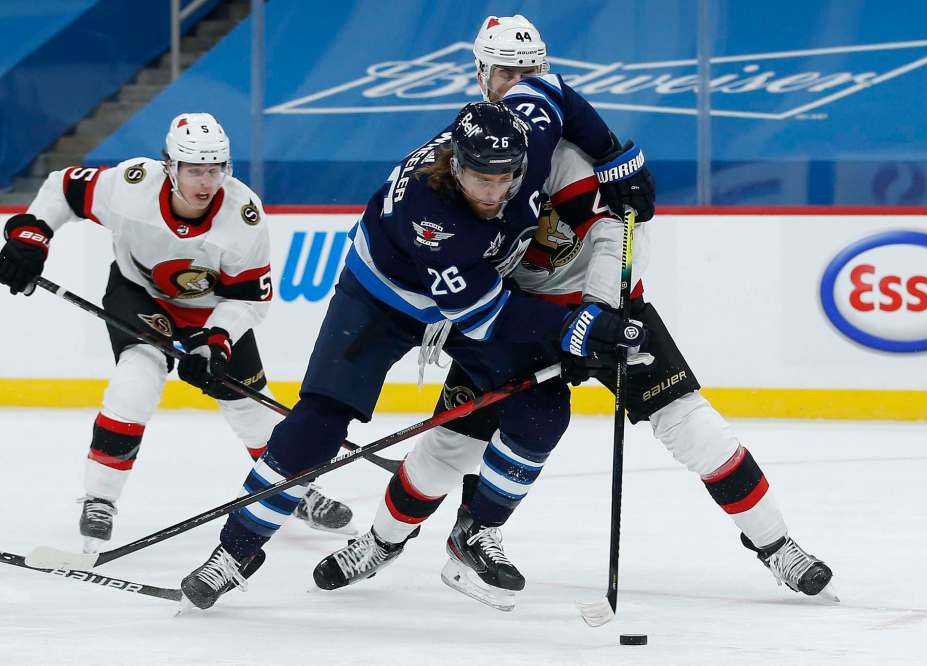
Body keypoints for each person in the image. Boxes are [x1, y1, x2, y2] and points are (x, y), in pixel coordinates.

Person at [313, 15, 836, 612]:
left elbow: (612, 228)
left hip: (601, 308)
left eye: (527, 73)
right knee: (451, 446)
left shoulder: (557, 150)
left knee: (691, 423)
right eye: (504, 72)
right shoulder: (466, 148)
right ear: (481, 74)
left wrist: (598, 312)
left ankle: (777, 546)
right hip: (514, 317)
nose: (515, 84)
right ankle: (383, 542)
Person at [179, 71, 653, 609]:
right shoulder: (431, 216)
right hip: (381, 298)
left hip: (472, 291)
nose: (495, 194)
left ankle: (475, 532)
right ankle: (235, 551)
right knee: (319, 423)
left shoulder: (525, 135)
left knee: (544, 409)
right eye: (481, 181)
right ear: (455, 164)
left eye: (506, 180)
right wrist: (574, 329)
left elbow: (552, 91)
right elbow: (483, 315)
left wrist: (614, 155)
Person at [0, 113, 355, 553]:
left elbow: (248, 299)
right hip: (140, 296)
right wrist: (33, 235)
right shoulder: (131, 185)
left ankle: (293, 490)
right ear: (170, 166)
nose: (206, 182)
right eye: (194, 169)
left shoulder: (243, 216)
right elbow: (63, 188)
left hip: (213, 313)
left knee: (250, 412)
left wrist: (215, 339)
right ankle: (100, 498)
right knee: (137, 379)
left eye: (215, 169)